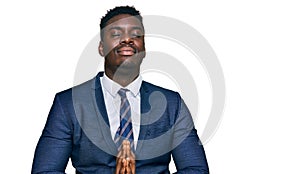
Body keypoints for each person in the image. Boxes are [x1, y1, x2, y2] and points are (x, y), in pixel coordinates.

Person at [32, 6, 209, 174]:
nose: (127, 39)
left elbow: (196, 169)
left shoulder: (172, 104)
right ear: (101, 48)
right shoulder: (69, 104)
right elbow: (45, 170)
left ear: (144, 48)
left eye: (136, 35)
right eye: (116, 34)